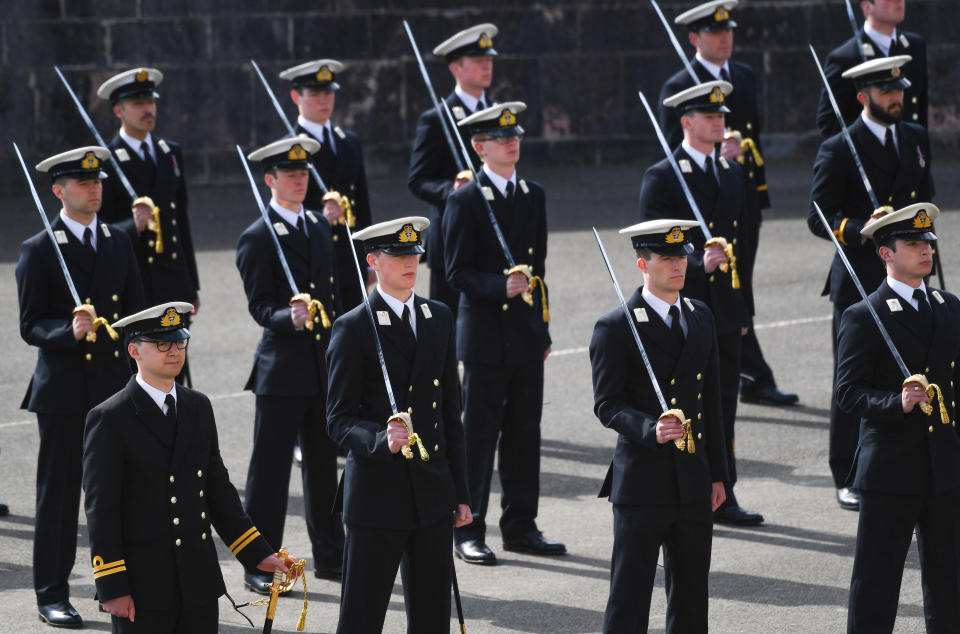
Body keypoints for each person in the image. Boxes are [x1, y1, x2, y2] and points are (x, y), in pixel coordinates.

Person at [83, 302, 298, 633]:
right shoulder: (110, 418)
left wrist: (258, 552)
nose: (174, 352)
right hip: (144, 588)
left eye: (180, 342)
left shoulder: (197, 406)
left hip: (199, 583)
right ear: (134, 350)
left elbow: (217, 489)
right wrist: (112, 586)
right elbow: (102, 511)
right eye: (162, 344)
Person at [16, 146, 145, 628]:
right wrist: (65, 332)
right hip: (66, 390)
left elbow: (134, 312)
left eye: (98, 182)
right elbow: (31, 325)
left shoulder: (116, 241)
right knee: (60, 494)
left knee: (118, 492)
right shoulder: (38, 248)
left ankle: (117, 586)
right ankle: (51, 592)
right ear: (58, 190)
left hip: (114, 386)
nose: (95, 189)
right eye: (83, 183)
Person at [325, 216, 471, 632]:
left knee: (430, 618)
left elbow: (450, 416)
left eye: (414, 254)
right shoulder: (353, 327)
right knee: (362, 616)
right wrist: (378, 439)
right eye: (398, 255)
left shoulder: (438, 316)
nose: (410, 262)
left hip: (432, 492)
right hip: (376, 497)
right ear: (373, 261)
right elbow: (337, 420)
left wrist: (461, 493)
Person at [807, 55, 933, 511]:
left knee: (915, 369)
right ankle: (847, 470)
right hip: (861, 278)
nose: (896, 98)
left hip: (911, 273)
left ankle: (912, 458)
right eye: (886, 92)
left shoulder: (916, 138)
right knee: (856, 375)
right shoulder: (841, 147)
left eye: (899, 90)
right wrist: (862, 227)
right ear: (864, 97)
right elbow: (818, 216)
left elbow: (926, 198)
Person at [590, 219, 728, 633]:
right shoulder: (616, 326)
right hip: (641, 485)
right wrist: (650, 428)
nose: (678, 265)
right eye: (666, 258)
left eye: (682, 256)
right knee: (630, 596)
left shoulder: (700, 316)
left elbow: (712, 403)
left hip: (692, 479)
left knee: (690, 595)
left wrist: (719, 474)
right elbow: (607, 405)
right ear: (642, 264)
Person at [658, 0, 797, 406]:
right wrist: (717, 152)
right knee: (710, 283)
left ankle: (743, 370)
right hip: (701, 202)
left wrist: (761, 196)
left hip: (740, 198)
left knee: (740, 283)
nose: (725, 38)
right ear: (694, 38)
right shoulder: (679, 86)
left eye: (729, 31)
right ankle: (749, 372)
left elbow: (755, 136)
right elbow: (670, 152)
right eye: (715, 33)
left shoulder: (745, 76)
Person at [444, 101, 565, 564]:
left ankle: (521, 524)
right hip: (485, 336)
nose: (512, 142)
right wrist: (500, 286)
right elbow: (456, 271)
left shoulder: (533, 193)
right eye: (501, 138)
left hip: (524, 332)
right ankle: (468, 527)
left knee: (523, 432)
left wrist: (542, 328)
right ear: (480, 147)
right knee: (478, 438)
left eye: (516, 135)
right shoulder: (465, 199)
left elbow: (540, 268)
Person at [640, 80, 763, 526]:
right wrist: (695, 262)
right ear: (687, 121)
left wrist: (742, 308)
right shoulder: (663, 175)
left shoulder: (731, 173)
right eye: (710, 117)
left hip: (725, 310)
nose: (719, 123)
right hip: (681, 306)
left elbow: (743, 248)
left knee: (722, 403)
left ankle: (723, 490)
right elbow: (651, 248)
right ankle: (686, 489)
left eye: (722, 117)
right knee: (684, 402)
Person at [835, 203, 960, 632]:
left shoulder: (949, 306)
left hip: (945, 465)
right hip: (891, 468)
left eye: (928, 242)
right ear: (886, 253)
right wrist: (897, 403)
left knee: (950, 579)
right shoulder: (862, 316)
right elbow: (848, 393)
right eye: (913, 244)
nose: (926, 251)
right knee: (876, 581)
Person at [235, 137, 343, 592]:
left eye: (303, 174)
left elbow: (336, 294)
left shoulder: (319, 225)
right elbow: (260, 305)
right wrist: (288, 316)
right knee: (270, 473)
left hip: (321, 367)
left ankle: (332, 556)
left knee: (323, 467)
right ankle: (260, 563)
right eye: (289, 174)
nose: (299, 180)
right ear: (270, 179)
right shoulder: (257, 237)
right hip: (281, 370)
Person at [97, 68, 201, 384]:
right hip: (137, 281)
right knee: (142, 374)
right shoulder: (107, 160)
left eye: (150, 101)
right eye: (138, 103)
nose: (148, 109)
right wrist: (132, 225)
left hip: (172, 278)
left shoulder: (170, 152)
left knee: (176, 367)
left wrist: (191, 284)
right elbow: (99, 231)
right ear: (119, 110)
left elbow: (180, 221)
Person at [408, 23, 499, 318]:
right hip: (454, 237)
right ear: (456, 68)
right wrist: (453, 190)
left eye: (489, 60)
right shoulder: (436, 118)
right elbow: (418, 179)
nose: (487, 66)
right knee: (447, 331)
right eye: (478, 61)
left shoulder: (500, 114)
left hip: (495, 231)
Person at [281, 58, 373, 312]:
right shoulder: (287, 150)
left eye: (328, 93)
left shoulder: (349, 142)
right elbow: (282, 210)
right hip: (312, 260)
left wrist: (370, 257)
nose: (324, 100)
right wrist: (320, 218)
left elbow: (362, 204)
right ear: (295, 96)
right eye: (315, 93)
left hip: (350, 257)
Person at [816, 0, 927, 138]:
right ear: (867, 6)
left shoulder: (915, 46)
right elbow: (829, 122)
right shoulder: (845, 58)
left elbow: (920, 108)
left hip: (908, 152)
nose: (899, 1)